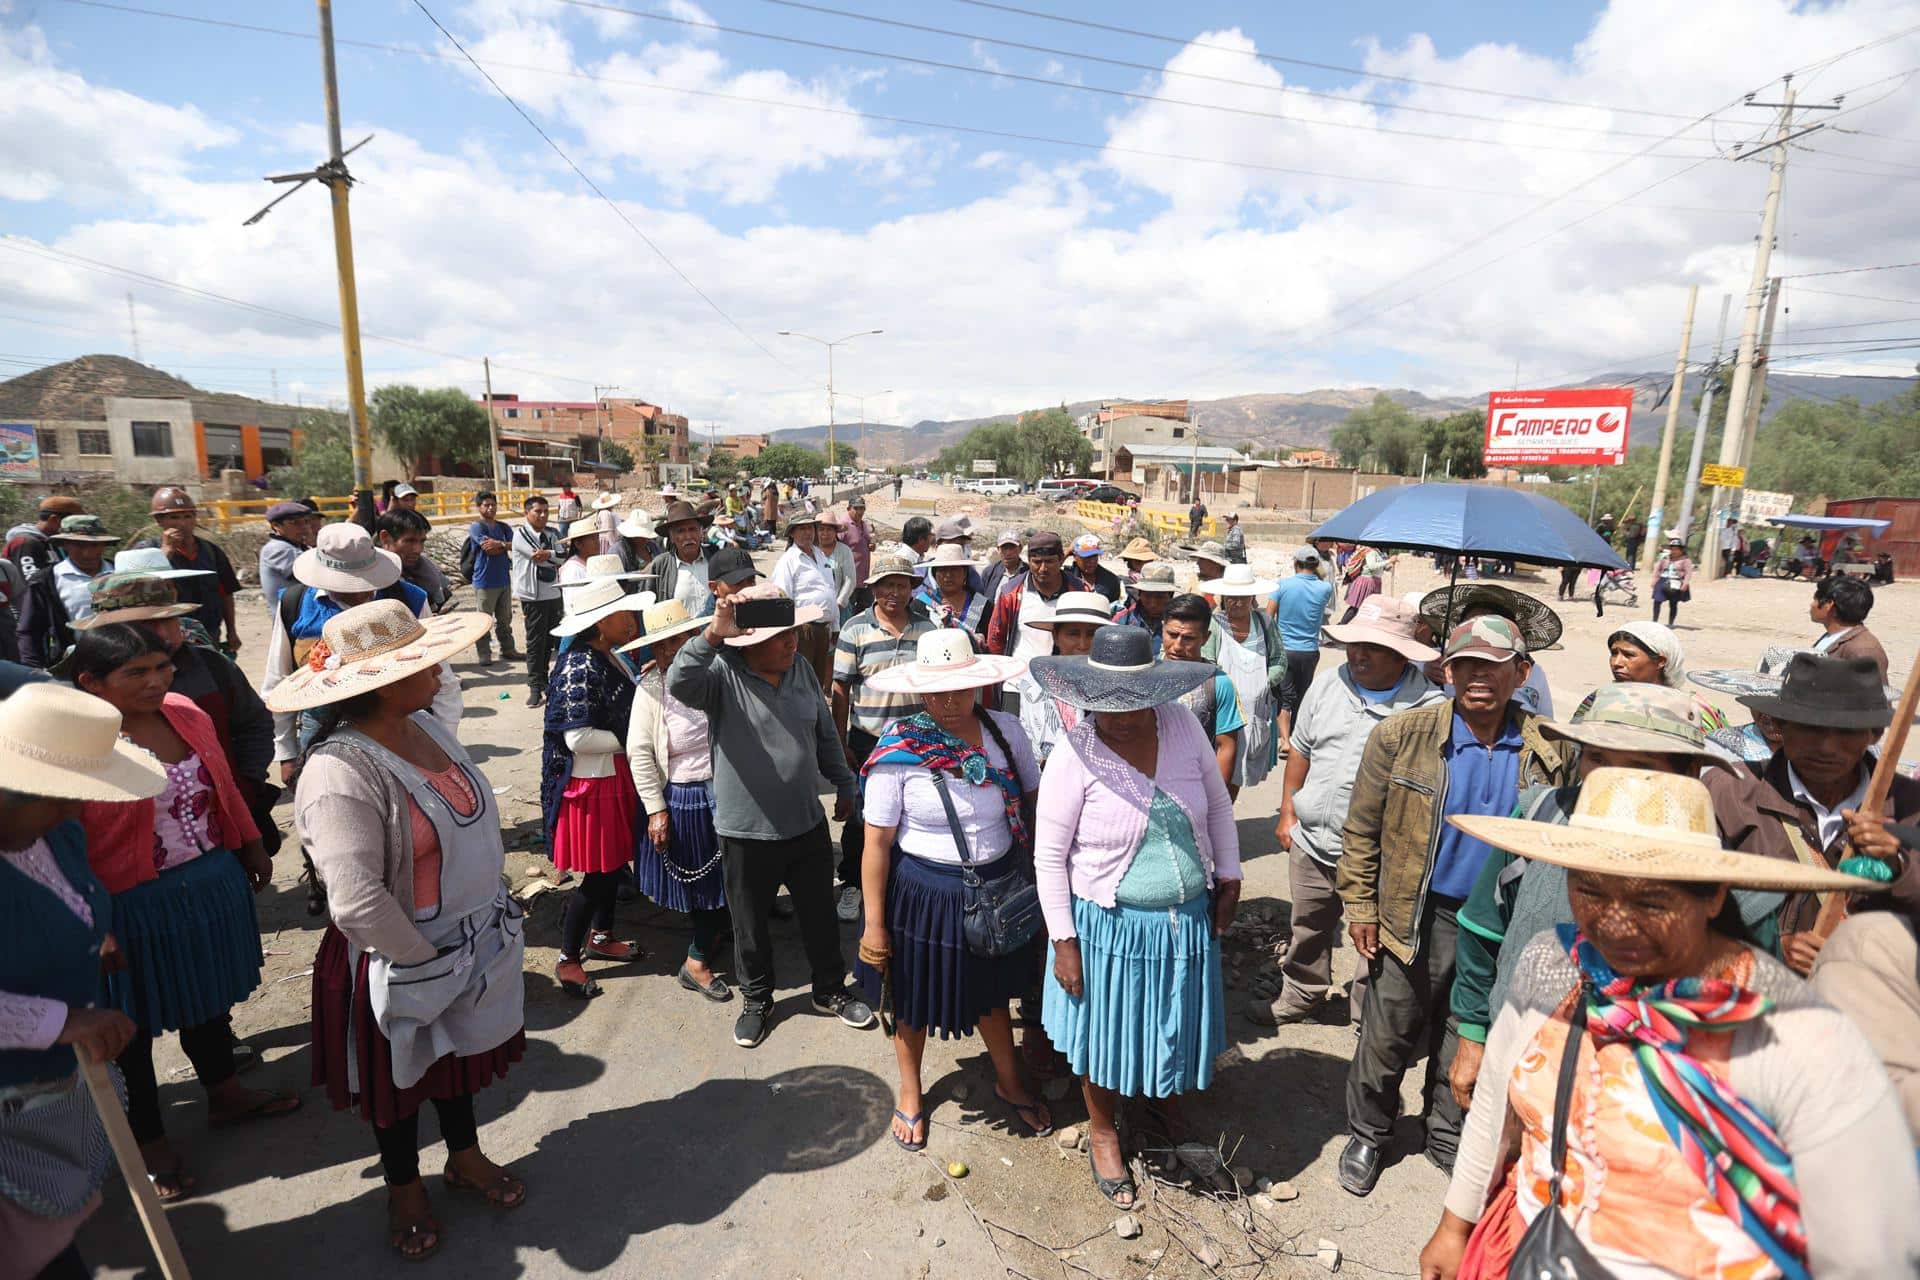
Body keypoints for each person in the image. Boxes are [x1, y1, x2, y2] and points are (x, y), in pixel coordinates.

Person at [1418, 768, 1918, 1280]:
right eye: (1589, 890)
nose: (1613, 922)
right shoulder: (1552, 963)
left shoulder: (1783, 1026)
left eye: (1650, 902)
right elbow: (1495, 1107)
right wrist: (1455, 1226)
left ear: (1714, 896)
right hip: (1530, 1251)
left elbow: (1865, 1239)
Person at [274, 600, 525, 1261]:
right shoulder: (338, 772)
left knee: (457, 1062)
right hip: (395, 955)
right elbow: (356, 902)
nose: (442, 672)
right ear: (382, 684)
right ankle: (404, 1185)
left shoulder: (426, 727)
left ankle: (464, 1157)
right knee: (400, 1082)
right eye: (426, 664)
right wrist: (426, 965)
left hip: (460, 944)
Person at [1447, 682, 1808, 1116]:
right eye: (1596, 758)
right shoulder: (1541, 816)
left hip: (1646, 1105)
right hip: (1521, 1060)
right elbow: (1484, 927)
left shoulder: (1719, 872)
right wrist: (1471, 1033)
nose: (1609, 779)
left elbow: (1750, 1016)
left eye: (1638, 764)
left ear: (1688, 772)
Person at [1334, 617, 1573, 1195]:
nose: (1476, 677)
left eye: (1491, 666)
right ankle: (1369, 1132)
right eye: (1464, 665)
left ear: (1521, 673)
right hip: (1416, 912)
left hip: (1498, 924)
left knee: (1467, 1032)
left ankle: (1446, 1132)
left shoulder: (1550, 748)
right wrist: (1360, 904)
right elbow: (1362, 829)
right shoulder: (1402, 735)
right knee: (1389, 1031)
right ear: (1447, 670)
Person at [70, 624, 296, 1202]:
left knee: (207, 999)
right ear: (90, 683)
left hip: (208, 882)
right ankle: (148, 1141)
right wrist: (90, 924)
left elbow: (222, 784)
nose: (156, 681)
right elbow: (59, 843)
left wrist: (248, 842)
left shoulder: (183, 711)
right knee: (132, 1027)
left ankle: (224, 1092)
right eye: (136, 673)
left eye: (161, 666)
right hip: (127, 905)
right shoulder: (72, 744)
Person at [1028, 625, 1241, 1210]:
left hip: (1185, 919)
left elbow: (1217, 804)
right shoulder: (1075, 754)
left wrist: (1230, 874)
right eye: (1105, 704)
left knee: (1174, 1019)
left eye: (1132, 702)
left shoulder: (1182, 728)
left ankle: (1162, 1102)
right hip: (1110, 925)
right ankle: (1103, 1130)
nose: (1118, 716)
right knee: (1106, 1033)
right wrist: (1063, 941)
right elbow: (1048, 855)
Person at [852, 631, 1047, 1150]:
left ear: (978, 685)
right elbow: (876, 843)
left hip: (1001, 888)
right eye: (937, 692)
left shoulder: (1006, 732)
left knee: (989, 995)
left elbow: (1033, 799)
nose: (949, 702)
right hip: (925, 895)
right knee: (912, 996)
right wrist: (875, 924)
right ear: (920, 691)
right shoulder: (898, 747)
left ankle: (1009, 1082)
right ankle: (911, 1091)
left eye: (960, 689)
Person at [0, 683, 167, 1280]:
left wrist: (87, 935)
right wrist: (62, 1020)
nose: (76, 811)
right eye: (61, 798)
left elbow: (68, 902)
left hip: (50, 1093)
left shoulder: (55, 833)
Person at [666, 587, 875, 1049]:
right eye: (782, 635)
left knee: (820, 913)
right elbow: (678, 682)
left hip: (806, 823)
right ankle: (757, 999)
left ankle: (829, 991)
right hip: (745, 832)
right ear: (749, 640)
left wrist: (845, 783)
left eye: (795, 631)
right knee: (750, 923)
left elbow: (823, 732)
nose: (794, 641)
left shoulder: (799, 668)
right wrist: (711, 636)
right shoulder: (721, 675)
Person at [1264, 597, 1442, 1028]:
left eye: (1373, 647)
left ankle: (1368, 1017)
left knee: (1373, 942)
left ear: (1401, 654)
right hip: (1313, 840)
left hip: (1379, 855)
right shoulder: (1328, 685)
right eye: (1355, 644)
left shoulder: (1429, 708)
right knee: (1307, 924)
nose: (1359, 654)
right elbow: (1302, 753)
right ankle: (1302, 992)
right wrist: (1289, 812)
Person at [1740, 652, 1920, 973]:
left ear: (1875, 734)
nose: (1826, 747)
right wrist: (1768, 946)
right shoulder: (1732, 790)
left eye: (1846, 732)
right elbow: (1691, 904)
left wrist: (1899, 863)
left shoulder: (1911, 805)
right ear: (1780, 726)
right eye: (1810, 728)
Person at [261, 523, 459, 776]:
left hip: (401, 725)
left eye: (364, 582)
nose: (358, 593)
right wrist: (286, 753)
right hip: (321, 730)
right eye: (346, 585)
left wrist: (444, 739)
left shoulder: (409, 600)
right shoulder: (294, 604)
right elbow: (278, 680)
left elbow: (440, 674)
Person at [542, 578, 652, 999]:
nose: (632, 621)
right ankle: (568, 958)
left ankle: (602, 936)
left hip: (612, 775)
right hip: (594, 784)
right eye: (625, 614)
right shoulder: (579, 664)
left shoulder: (609, 655)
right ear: (602, 621)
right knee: (599, 875)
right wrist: (639, 740)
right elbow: (578, 738)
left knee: (611, 868)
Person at [621, 601, 734, 1002]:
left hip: (728, 789)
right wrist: (656, 808)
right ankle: (696, 961)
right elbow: (640, 752)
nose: (672, 650)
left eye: (680, 640)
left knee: (730, 880)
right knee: (706, 886)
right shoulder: (651, 688)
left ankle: (716, 933)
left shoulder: (718, 671)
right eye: (663, 644)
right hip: (687, 796)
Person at [833, 552, 939, 923]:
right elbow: (841, 689)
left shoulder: (928, 631)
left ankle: (895, 883)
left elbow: (936, 687)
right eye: (886, 585)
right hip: (869, 740)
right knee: (862, 818)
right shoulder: (855, 630)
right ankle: (851, 883)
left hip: (916, 741)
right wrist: (840, 742)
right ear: (874, 589)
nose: (894, 592)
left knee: (910, 813)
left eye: (901, 584)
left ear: (912, 589)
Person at [1418, 584, 1558, 718]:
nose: (1479, 671)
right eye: (1472, 623)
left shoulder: (1535, 673)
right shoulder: (1433, 660)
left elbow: (1546, 721)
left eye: (1490, 626)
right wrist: (1426, 677)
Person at [1002, 592, 1106, 767]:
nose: (1082, 644)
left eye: (1091, 634)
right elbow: (1018, 749)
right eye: (1073, 634)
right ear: (1056, 637)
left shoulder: (1117, 687)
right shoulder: (1029, 687)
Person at [1200, 563, 1282, 785]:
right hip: (1221, 713)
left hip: (1254, 713)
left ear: (1252, 597)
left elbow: (1279, 661)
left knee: (1239, 774)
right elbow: (1206, 662)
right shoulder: (1215, 625)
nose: (1236, 602)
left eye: (1242, 597)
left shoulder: (1264, 624)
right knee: (1218, 771)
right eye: (1231, 597)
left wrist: (1264, 682)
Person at [133, 487, 242, 655]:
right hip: (165, 638)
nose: (182, 523)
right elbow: (140, 589)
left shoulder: (211, 552)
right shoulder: (146, 551)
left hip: (208, 635)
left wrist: (232, 631)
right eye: (174, 517)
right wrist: (167, 551)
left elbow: (225, 593)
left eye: (188, 516)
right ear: (159, 521)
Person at [1571, 619, 1728, 733]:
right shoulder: (1598, 700)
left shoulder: (1696, 711)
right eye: (1613, 653)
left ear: (1660, 661)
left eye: (1628, 655)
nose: (1616, 662)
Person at [1158, 594, 1244, 792]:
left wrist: (1213, 802)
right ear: (1162, 628)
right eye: (1172, 635)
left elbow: (1226, 748)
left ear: (1205, 638)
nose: (1178, 646)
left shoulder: (1219, 684)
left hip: (1195, 790)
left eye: (1188, 638)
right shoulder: (1145, 674)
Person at [1266, 546, 1335, 744]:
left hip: (1285, 649)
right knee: (1302, 696)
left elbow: (1269, 618)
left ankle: (1285, 741)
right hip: (1310, 651)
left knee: (1285, 696)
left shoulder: (1282, 585)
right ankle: (1297, 738)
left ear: (1296, 564)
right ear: (1315, 565)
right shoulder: (1325, 588)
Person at [771, 513, 840, 689]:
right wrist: (789, 634)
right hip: (802, 630)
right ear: (792, 533)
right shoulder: (788, 561)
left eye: (810, 528)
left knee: (817, 682)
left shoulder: (820, 555)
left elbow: (830, 590)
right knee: (800, 682)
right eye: (802, 528)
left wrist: (836, 625)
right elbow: (782, 598)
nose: (807, 532)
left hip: (823, 629)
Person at [986, 531, 1080, 659]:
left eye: (1049, 562)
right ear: (1029, 561)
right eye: (1037, 562)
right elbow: (995, 637)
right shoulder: (1011, 593)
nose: (1043, 568)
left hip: (1063, 672)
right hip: (1020, 673)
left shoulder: (1077, 591)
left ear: (1060, 559)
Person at [511, 495, 564, 706]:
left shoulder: (553, 532)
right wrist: (553, 554)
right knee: (535, 642)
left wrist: (550, 553)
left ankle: (546, 681)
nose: (542, 515)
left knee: (550, 642)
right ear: (527, 513)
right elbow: (536, 554)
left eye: (545, 511)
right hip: (533, 596)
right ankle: (534, 687)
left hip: (553, 593)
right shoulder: (520, 534)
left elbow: (563, 555)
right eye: (537, 511)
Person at [465, 490, 518, 665]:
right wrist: (503, 546)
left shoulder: (503, 527)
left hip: (503, 579)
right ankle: (484, 654)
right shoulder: (477, 527)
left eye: (493, 504)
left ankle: (508, 649)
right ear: (479, 507)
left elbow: (515, 546)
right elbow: (488, 548)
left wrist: (500, 544)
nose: (490, 508)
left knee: (505, 619)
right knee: (484, 621)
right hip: (485, 580)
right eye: (486, 505)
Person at [1808, 574, 1889, 681]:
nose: (1811, 605)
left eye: (1815, 600)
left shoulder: (1863, 651)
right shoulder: (1833, 636)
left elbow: (1873, 695)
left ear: (1829, 606)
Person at [645, 499, 714, 622]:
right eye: (680, 531)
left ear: (701, 532)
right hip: (681, 639)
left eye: (692, 529)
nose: (688, 536)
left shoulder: (715, 559)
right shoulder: (660, 566)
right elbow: (650, 608)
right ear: (671, 537)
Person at [376, 507, 451, 612]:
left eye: (422, 541)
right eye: (410, 541)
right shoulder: (371, 582)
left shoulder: (426, 571)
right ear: (385, 538)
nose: (418, 549)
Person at [48, 515, 117, 623]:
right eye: (80, 545)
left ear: (104, 545)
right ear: (64, 545)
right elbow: (31, 629)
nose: (88, 554)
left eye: (94, 545)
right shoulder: (49, 580)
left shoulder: (120, 572)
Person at [917, 543, 990, 638]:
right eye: (943, 570)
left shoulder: (982, 605)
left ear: (964, 573)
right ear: (935, 574)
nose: (948, 575)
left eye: (954, 569)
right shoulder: (922, 604)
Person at [5, 494, 82, 584]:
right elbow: (32, 584)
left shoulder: (56, 542)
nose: (78, 527)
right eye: (74, 522)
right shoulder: (26, 543)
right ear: (54, 519)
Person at [260, 499, 319, 607]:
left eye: (306, 522)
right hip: (293, 618)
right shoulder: (278, 548)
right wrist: (314, 546)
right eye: (295, 523)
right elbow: (311, 575)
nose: (304, 527)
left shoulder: (297, 546)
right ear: (276, 526)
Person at [1110, 559, 1176, 654]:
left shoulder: (1179, 623)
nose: (1153, 603)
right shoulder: (1122, 621)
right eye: (1148, 596)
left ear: (1170, 595)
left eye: (1160, 597)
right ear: (1139, 593)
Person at [1338, 545, 1392, 625]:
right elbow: (1372, 566)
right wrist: (1389, 561)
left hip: (1373, 581)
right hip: (1367, 581)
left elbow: (1378, 566)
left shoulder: (1376, 551)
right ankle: (1342, 625)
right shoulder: (1371, 551)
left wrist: (1388, 565)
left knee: (1369, 608)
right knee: (1356, 607)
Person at [820, 515, 857, 625]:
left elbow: (850, 580)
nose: (825, 534)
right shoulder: (811, 550)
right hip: (815, 609)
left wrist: (839, 603)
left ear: (835, 532)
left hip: (840, 608)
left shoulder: (844, 551)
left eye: (829, 530)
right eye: (821, 529)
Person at [1071, 534, 1123, 604]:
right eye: (1087, 556)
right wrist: (1068, 551)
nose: (1092, 561)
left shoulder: (1111, 580)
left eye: (1095, 556)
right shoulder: (1067, 578)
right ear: (1075, 556)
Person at [1652, 535, 1693, 624]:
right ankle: (1654, 621)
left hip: (1676, 582)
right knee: (1657, 601)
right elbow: (1657, 569)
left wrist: (1685, 583)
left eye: (1676, 549)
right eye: (1672, 549)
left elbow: (1688, 573)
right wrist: (1654, 580)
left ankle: (1671, 623)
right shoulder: (1665, 558)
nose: (1674, 551)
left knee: (1673, 603)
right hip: (1663, 580)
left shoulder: (1686, 560)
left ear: (1681, 550)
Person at [555, 520, 601, 588]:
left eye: (597, 538)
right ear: (578, 544)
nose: (597, 542)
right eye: (593, 539)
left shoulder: (591, 563)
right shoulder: (572, 570)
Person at [980, 529, 1024, 600]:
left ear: (1020, 549)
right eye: (1004, 548)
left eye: (1012, 547)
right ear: (998, 549)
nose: (1008, 553)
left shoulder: (1028, 574)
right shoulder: (989, 572)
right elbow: (978, 604)